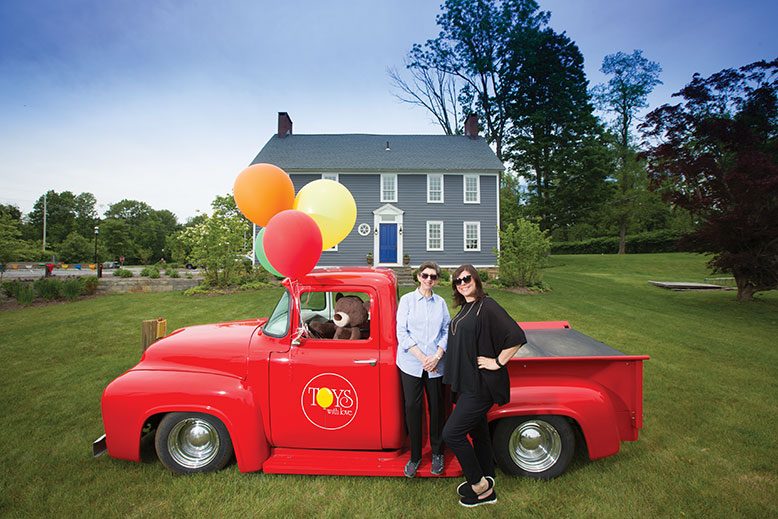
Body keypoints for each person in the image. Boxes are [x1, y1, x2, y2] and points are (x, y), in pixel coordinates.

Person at [442, 265, 526, 507]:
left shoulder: (487, 306)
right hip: (466, 382)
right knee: (478, 432)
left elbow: (516, 335)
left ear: (476, 279)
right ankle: (488, 475)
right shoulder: (467, 308)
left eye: (466, 278)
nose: (462, 283)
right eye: (458, 281)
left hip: (480, 385)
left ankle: (481, 486)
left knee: (452, 433)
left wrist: (497, 362)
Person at [396, 261, 451, 477]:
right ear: (418, 276)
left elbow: (447, 329)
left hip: (436, 364)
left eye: (434, 277)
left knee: (437, 408)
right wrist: (422, 358)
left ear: (437, 280)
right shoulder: (407, 300)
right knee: (412, 407)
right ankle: (416, 456)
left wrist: (437, 355)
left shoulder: (441, 303)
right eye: (426, 275)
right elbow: (402, 332)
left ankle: (438, 453)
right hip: (411, 363)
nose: (429, 279)